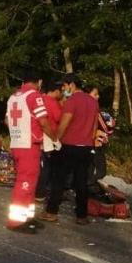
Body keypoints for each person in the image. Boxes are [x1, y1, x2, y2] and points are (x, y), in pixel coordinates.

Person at [39, 74, 99, 225]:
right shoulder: (93, 101)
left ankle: (51, 211)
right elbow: (94, 126)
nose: (63, 89)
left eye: (65, 86)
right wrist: (90, 142)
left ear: (71, 85)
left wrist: (55, 140)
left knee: (59, 180)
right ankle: (81, 215)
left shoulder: (72, 101)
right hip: (86, 147)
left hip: (68, 145)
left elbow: (64, 123)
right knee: (81, 182)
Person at [5, 71, 56, 234]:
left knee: (30, 183)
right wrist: (54, 138)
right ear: (39, 82)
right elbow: (43, 121)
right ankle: (16, 221)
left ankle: (27, 216)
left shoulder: (13, 97)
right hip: (29, 145)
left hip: (17, 143)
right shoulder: (34, 96)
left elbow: (7, 120)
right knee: (25, 183)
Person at [36, 81, 64, 200]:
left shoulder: (39, 99)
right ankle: (42, 193)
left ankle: (38, 191)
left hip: (38, 137)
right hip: (50, 137)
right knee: (48, 168)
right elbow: (59, 118)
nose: (62, 94)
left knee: (41, 166)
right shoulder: (53, 103)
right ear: (56, 91)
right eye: (61, 91)